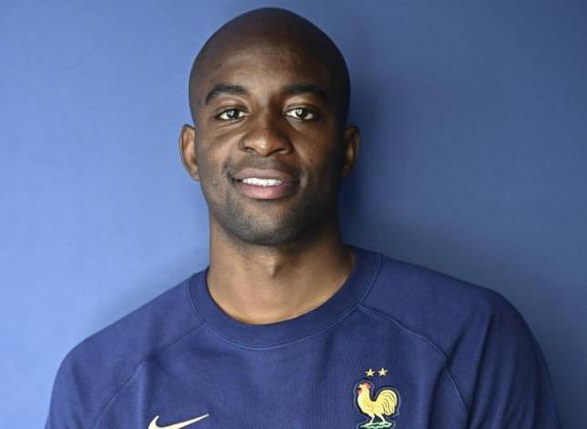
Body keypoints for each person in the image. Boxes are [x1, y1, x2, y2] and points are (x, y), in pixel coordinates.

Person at [45, 7, 561, 429]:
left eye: (301, 112)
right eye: (231, 113)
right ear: (191, 152)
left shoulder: (471, 339)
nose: (266, 138)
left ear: (346, 150)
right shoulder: (100, 381)